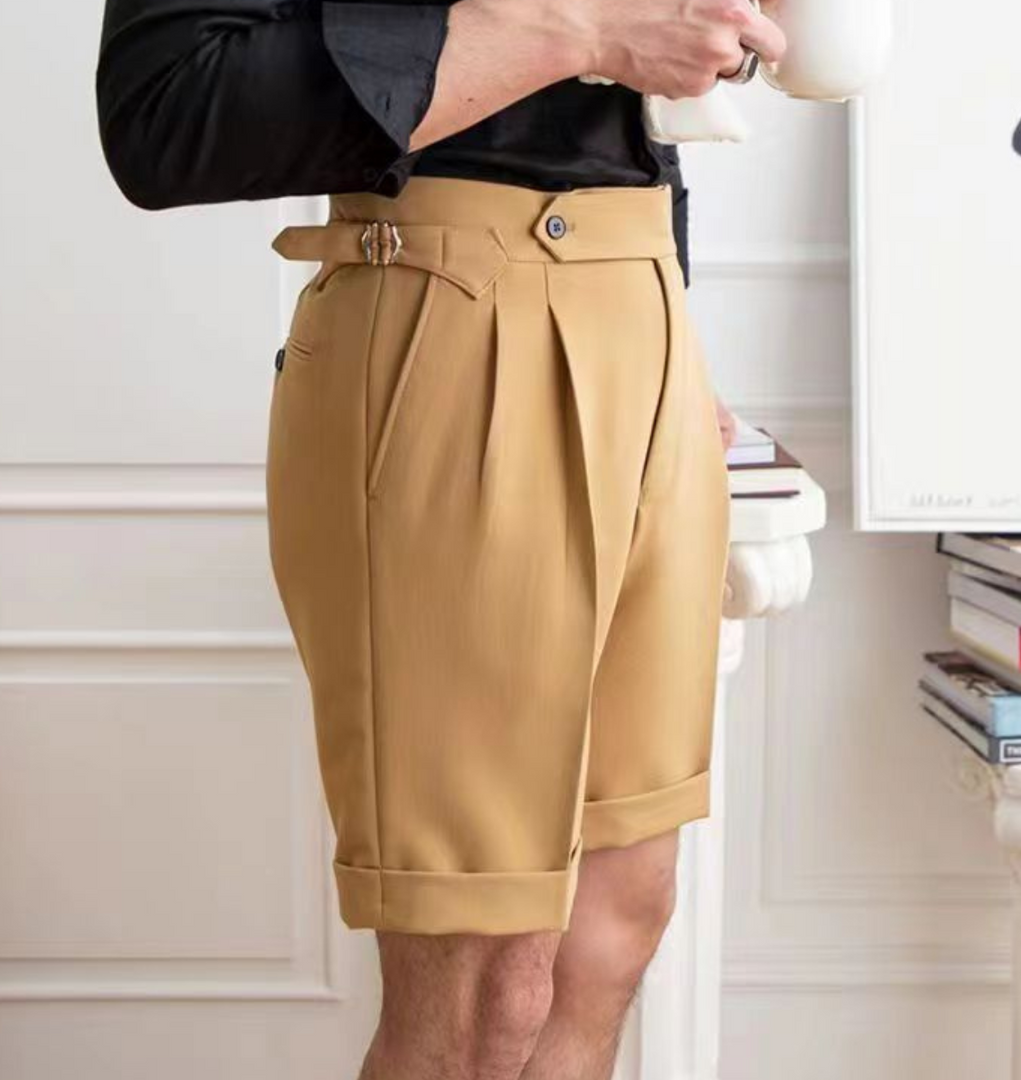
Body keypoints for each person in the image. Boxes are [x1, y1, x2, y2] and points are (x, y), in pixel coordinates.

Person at [95, 3, 785, 1078]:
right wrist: (586, 33)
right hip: (451, 313)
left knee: (612, 930)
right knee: (488, 988)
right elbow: (169, 113)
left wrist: (664, 326)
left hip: (642, 317)